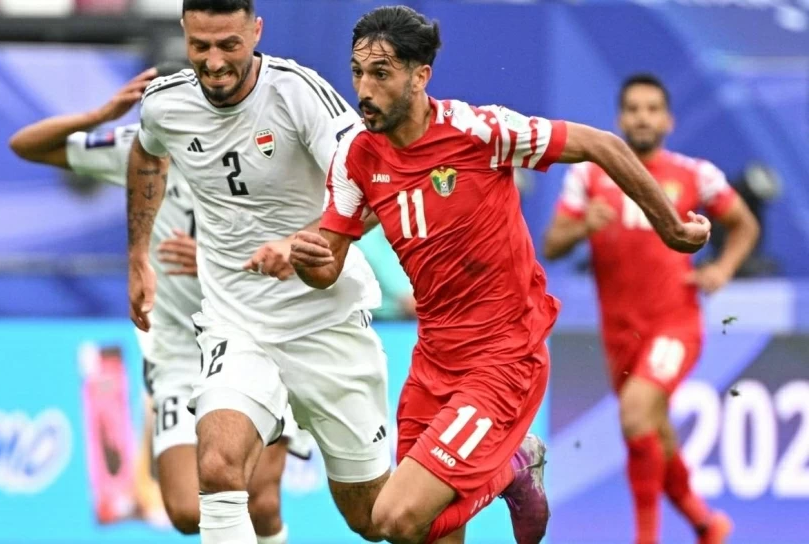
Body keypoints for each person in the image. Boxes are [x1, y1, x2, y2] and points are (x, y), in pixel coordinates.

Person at [286, 7, 713, 544]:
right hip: (433, 360)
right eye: (357, 72)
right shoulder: (355, 158)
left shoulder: (480, 130)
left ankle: (514, 467)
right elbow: (328, 265)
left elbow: (601, 145)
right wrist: (307, 261)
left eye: (380, 73)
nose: (363, 90)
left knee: (397, 517)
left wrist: (672, 227)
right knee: (412, 530)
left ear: (420, 76)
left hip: (504, 357)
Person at [122, 2, 402, 542]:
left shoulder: (298, 94)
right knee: (218, 467)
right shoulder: (166, 102)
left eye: (229, 45)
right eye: (200, 46)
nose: (214, 62)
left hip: (325, 323)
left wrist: (301, 244)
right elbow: (147, 155)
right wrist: (139, 256)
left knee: (375, 519)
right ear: (184, 33)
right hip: (237, 324)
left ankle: (501, 473)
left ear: (256, 32)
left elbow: (375, 184)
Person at [8, 63, 309, 544]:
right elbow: (25, 145)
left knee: (260, 500)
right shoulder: (138, 147)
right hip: (180, 351)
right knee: (188, 511)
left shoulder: (256, 145)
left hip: (258, 336)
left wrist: (212, 258)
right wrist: (99, 115)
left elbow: (297, 234)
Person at [542, 73, 759, 544]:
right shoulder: (589, 176)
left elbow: (744, 224)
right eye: (634, 109)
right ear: (620, 119)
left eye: (652, 109)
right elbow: (552, 244)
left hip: (675, 325)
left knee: (637, 414)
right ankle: (706, 524)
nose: (643, 117)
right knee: (653, 430)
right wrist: (582, 227)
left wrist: (722, 269)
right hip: (620, 333)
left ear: (668, 120)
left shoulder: (695, 174)